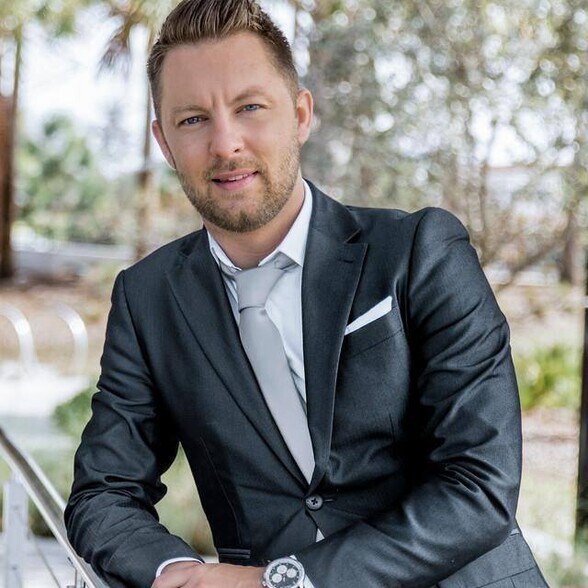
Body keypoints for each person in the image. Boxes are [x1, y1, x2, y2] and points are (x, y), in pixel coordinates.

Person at [65, 1, 549, 587]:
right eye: (192, 119)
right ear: (164, 142)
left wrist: (279, 581)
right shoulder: (147, 299)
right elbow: (103, 493)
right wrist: (181, 574)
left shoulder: (421, 250)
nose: (225, 143)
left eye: (249, 107)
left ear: (299, 115)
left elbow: (480, 485)